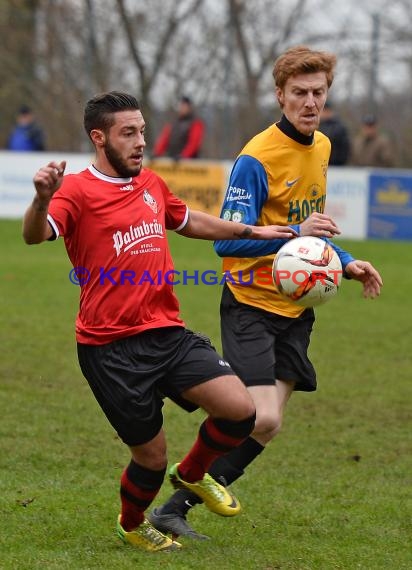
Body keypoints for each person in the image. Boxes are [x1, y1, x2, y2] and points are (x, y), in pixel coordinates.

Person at [22, 91, 297, 553]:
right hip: (110, 348)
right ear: (99, 137)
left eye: (142, 131)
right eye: (128, 133)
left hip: (166, 331)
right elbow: (35, 235)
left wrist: (254, 232)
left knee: (240, 409)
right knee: (150, 459)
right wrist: (41, 199)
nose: (140, 142)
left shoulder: (150, 183)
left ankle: (192, 474)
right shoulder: (76, 192)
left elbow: (189, 220)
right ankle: (132, 523)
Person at [149, 46, 383, 540]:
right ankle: (184, 457)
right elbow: (227, 240)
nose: (310, 101)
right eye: (299, 92)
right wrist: (297, 230)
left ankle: (173, 509)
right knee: (261, 414)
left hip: (296, 308)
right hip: (251, 305)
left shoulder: (320, 147)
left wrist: (345, 262)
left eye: (318, 92)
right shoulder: (257, 158)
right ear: (280, 95)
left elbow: (311, 229)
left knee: (268, 426)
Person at [318, 101, 350, 165]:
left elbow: (345, 147)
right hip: (320, 163)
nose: (325, 113)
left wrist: (340, 162)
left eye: (326, 111)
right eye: (323, 111)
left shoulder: (339, 127)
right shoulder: (318, 126)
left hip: (336, 164)